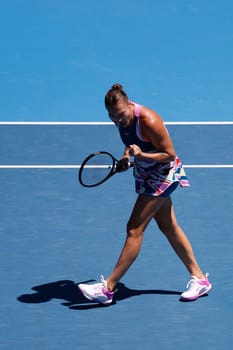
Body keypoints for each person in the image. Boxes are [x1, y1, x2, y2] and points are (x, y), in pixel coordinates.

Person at [78, 83, 212, 304]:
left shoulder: (149, 120)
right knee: (168, 226)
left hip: (163, 175)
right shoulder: (121, 118)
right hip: (146, 174)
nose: (118, 121)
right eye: (112, 117)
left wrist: (143, 155)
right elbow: (132, 143)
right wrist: (126, 157)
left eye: (120, 115)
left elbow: (169, 154)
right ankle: (199, 279)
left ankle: (108, 289)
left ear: (130, 105)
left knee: (134, 229)